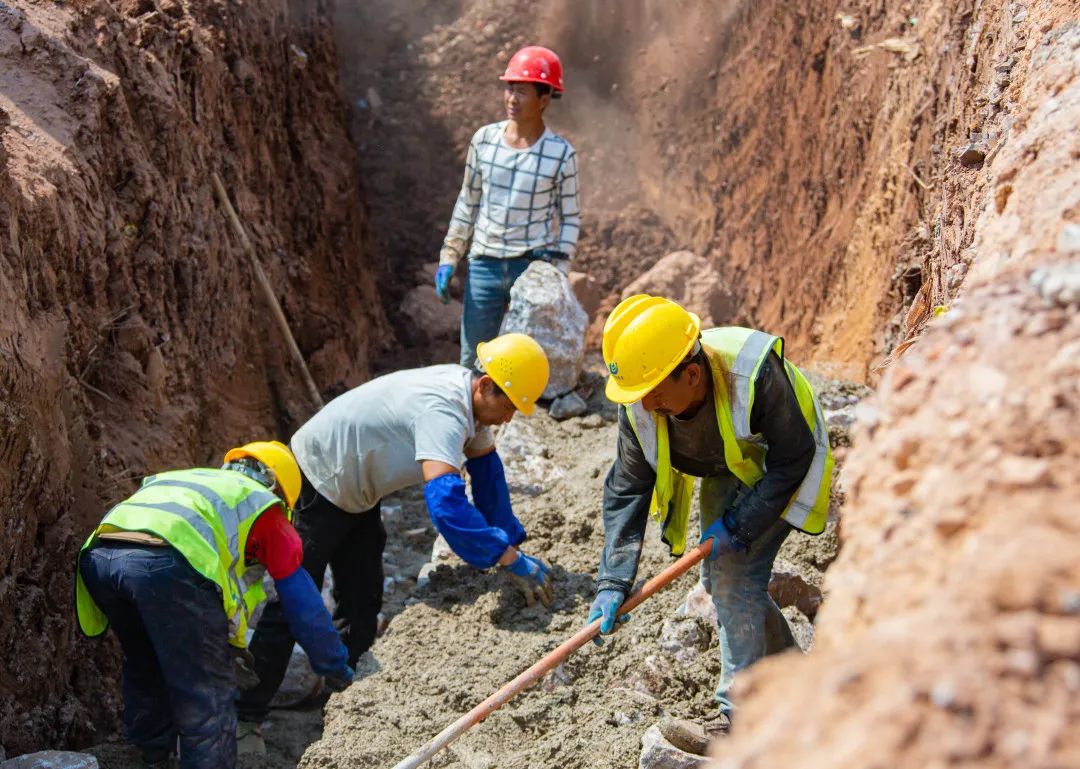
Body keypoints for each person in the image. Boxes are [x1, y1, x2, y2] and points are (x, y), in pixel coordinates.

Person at [237, 333, 554, 745]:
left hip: (358, 485)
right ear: (485, 385)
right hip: (317, 476)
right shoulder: (445, 409)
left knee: (364, 593)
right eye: (509, 406)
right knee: (295, 600)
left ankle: (345, 697)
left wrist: (511, 540)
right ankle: (246, 716)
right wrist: (505, 557)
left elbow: (488, 476)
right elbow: (446, 505)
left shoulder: (471, 405)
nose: (509, 418)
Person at [586, 294, 833, 747]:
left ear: (692, 375)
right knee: (722, 581)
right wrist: (612, 581)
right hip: (727, 462)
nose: (644, 408)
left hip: (786, 460)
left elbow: (792, 457)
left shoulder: (752, 374)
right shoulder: (641, 395)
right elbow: (627, 487)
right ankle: (799, 679)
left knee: (734, 576)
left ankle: (737, 718)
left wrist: (740, 525)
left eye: (655, 398)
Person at [75, 441, 352, 769]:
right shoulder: (265, 506)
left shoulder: (189, 480)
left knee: (146, 665)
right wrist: (335, 667)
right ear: (281, 490)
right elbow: (303, 606)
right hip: (166, 564)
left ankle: (148, 757)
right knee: (206, 696)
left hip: (101, 559)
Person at [435, 45, 581, 368]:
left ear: (544, 99)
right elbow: (468, 201)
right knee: (474, 361)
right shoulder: (484, 141)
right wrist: (450, 255)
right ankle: (474, 420)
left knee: (525, 363)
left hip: (529, 269)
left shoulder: (561, 155)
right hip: (483, 266)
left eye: (522, 91)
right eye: (509, 88)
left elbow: (570, 218)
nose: (512, 99)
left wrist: (558, 271)